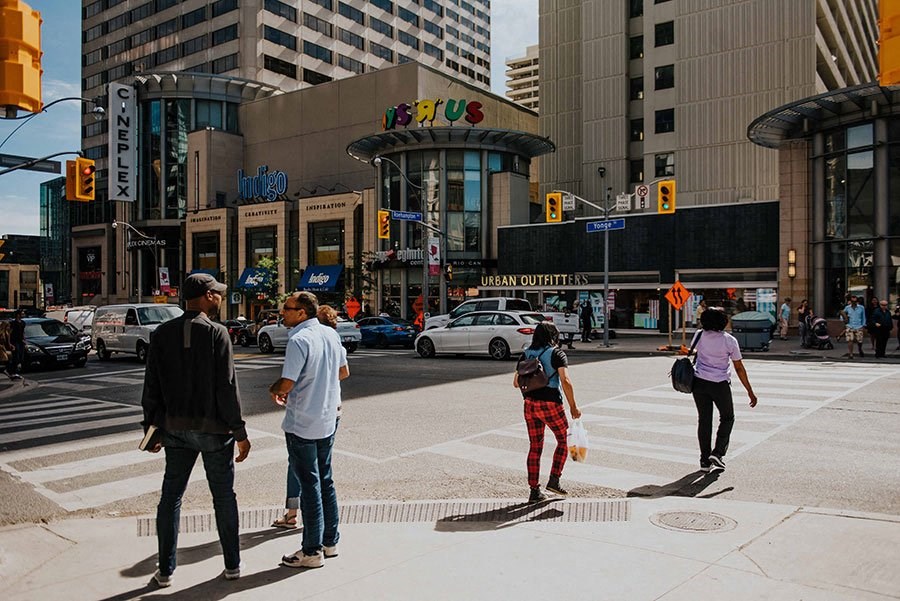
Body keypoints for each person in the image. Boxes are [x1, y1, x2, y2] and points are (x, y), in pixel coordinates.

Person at [141, 274, 251, 588]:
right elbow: (227, 387)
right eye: (216, 293)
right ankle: (232, 566)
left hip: (174, 428)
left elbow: (152, 386)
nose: (219, 298)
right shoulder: (217, 333)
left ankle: (165, 571)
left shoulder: (161, 334)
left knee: (170, 498)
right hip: (214, 430)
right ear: (205, 296)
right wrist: (240, 432)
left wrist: (152, 428)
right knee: (223, 498)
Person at [269, 292, 343, 569]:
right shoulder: (330, 335)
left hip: (303, 421)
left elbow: (286, 383)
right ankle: (330, 542)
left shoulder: (299, 340)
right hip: (327, 418)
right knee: (326, 480)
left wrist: (273, 390)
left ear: (301, 313)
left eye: (286, 308)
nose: (282, 312)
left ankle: (311, 551)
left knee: (309, 485)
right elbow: (342, 372)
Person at [513, 322, 582, 503]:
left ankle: (534, 490)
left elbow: (515, 382)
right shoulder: (557, 353)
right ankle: (554, 480)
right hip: (551, 404)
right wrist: (573, 406)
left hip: (530, 404)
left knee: (535, 447)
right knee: (564, 440)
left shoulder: (526, 353)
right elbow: (565, 381)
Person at [690, 308, 757, 472]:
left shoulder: (698, 335)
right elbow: (739, 367)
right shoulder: (729, 340)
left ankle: (704, 461)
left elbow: (694, 351)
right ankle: (718, 453)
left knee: (704, 420)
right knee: (727, 417)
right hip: (719, 384)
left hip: (699, 383)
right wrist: (750, 391)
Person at [841, 295, 866, 359]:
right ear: (850, 301)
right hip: (850, 326)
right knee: (850, 340)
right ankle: (851, 353)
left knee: (859, 340)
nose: (854, 302)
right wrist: (844, 319)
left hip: (858, 326)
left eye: (855, 301)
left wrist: (863, 325)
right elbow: (842, 314)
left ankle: (860, 349)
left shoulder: (861, 308)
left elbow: (863, 317)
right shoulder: (847, 308)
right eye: (852, 301)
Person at [8, 310, 25, 379]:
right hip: (14, 341)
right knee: (16, 356)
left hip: (21, 341)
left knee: (21, 356)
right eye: (22, 314)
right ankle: (13, 372)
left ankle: (16, 371)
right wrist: (9, 343)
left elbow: (23, 332)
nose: (23, 315)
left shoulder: (23, 323)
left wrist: (24, 339)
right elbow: (9, 333)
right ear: (18, 315)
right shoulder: (13, 323)